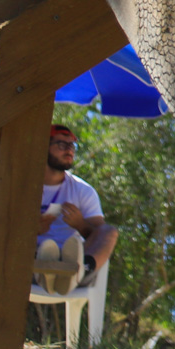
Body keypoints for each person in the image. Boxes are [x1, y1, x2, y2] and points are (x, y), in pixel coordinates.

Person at [35, 125, 117, 296]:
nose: (69, 150)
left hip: (74, 266)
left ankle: (78, 272)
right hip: (29, 263)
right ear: (43, 146)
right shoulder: (23, 183)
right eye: (62, 145)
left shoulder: (82, 190)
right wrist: (32, 230)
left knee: (109, 231)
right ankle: (47, 272)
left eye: (72, 146)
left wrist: (81, 225)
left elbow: (99, 236)